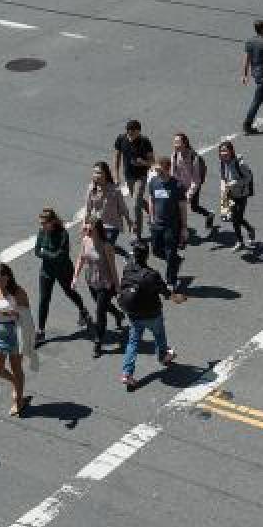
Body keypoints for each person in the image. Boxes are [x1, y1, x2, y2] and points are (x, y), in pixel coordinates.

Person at [119, 241, 178, 391]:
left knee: (133, 343)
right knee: (159, 335)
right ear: (147, 256)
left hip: (134, 315)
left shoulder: (127, 270)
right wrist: (178, 298)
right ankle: (163, 356)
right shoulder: (152, 275)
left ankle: (127, 373)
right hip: (152, 314)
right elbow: (165, 293)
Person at [34, 207, 91, 346]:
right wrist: (48, 254)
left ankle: (83, 310)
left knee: (70, 292)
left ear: (52, 221)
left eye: (44, 223)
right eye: (41, 223)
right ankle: (40, 331)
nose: (42, 226)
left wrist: (45, 252)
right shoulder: (42, 232)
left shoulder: (62, 234)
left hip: (63, 270)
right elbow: (37, 251)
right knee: (44, 300)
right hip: (46, 271)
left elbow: (60, 256)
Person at [0, 263, 34, 416]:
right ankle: (15, 382)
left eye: (0, 280)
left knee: (16, 368)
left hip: (14, 332)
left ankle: (18, 400)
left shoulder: (18, 293)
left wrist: (13, 314)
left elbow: (27, 316)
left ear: (8, 278)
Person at [72, 218, 124, 359]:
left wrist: (118, 288)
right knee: (103, 306)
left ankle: (98, 341)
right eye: (86, 227)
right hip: (92, 281)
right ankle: (118, 315)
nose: (86, 229)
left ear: (97, 229)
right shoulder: (85, 241)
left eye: (90, 227)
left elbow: (113, 268)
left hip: (106, 283)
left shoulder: (106, 246)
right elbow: (81, 259)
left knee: (100, 312)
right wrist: (75, 277)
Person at [147, 157, 188, 291]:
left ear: (167, 168)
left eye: (159, 169)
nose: (156, 171)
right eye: (156, 169)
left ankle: (171, 281)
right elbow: (151, 200)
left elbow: (182, 207)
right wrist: (152, 217)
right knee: (156, 251)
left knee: (170, 253)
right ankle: (176, 261)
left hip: (172, 226)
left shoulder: (177, 186)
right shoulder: (153, 182)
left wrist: (184, 228)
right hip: (157, 224)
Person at [114, 120, 154, 240]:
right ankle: (153, 212)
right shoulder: (121, 139)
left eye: (132, 133)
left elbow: (152, 162)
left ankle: (137, 234)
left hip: (141, 176)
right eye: (128, 132)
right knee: (138, 200)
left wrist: (143, 162)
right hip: (129, 176)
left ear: (138, 132)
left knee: (136, 204)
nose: (129, 135)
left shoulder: (145, 141)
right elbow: (116, 157)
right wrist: (116, 175)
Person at [171, 132, 216, 236]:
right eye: (174, 142)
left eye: (178, 142)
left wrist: (189, 194)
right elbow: (173, 174)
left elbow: (196, 180)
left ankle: (209, 214)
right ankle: (179, 230)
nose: (175, 145)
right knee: (176, 207)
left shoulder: (194, 158)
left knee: (194, 207)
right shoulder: (174, 155)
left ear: (185, 143)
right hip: (181, 186)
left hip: (193, 186)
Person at [83, 161, 132, 248]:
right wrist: (85, 224)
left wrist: (129, 222)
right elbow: (88, 209)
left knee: (106, 246)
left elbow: (123, 207)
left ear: (106, 174)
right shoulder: (91, 189)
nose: (96, 175)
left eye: (99, 173)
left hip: (112, 225)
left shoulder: (114, 190)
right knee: (99, 247)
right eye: (94, 172)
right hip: (96, 224)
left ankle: (115, 254)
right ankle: (123, 253)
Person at [218, 141, 255, 252]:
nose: (223, 153)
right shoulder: (222, 163)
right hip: (230, 194)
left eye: (225, 150)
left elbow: (248, 178)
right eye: (221, 151)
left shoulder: (240, 164)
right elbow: (223, 178)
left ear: (231, 151)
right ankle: (241, 240)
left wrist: (235, 183)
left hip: (241, 195)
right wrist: (224, 189)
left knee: (237, 218)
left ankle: (248, 231)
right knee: (234, 218)